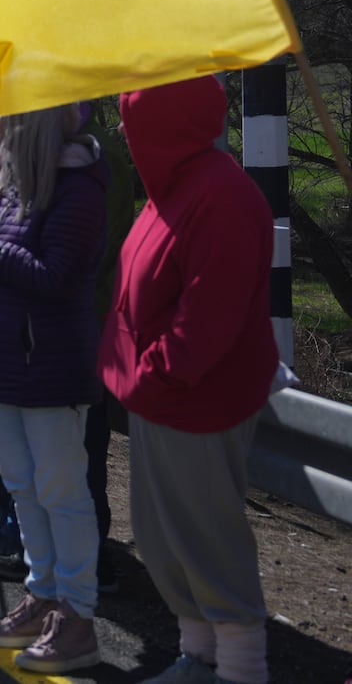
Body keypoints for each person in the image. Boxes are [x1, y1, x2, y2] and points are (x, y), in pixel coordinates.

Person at [98, 77, 277, 684]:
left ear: (167, 121)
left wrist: (153, 374)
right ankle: (199, 656)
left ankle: (242, 669)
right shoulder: (168, 191)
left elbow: (209, 317)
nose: (122, 129)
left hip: (196, 399)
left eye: (132, 115)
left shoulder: (222, 196)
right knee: (163, 535)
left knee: (206, 536)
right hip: (157, 395)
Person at [0, 104, 109, 674]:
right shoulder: (3, 176)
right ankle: (41, 593)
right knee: (22, 486)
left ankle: (77, 615)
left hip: (48, 366)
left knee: (61, 491)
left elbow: (61, 277)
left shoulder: (78, 183)